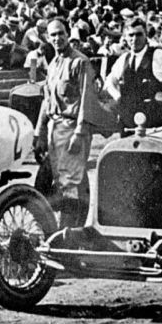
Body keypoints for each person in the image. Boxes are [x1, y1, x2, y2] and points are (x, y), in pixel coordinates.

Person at [34, 17, 98, 228]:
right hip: (54, 128)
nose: (57, 38)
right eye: (53, 35)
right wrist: (39, 132)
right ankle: (56, 230)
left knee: (70, 184)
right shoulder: (53, 63)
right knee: (47, 182)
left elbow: (87, 101)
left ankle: (67, 236)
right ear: (47, 37)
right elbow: (47, 100)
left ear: (68, 34)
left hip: (72, 128)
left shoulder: (80, 62)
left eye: (61, 33)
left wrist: (79, 133)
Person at [101, 18, 162, 131]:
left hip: (154, 120)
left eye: (139, 34)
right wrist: (118, 96)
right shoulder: (123, 59)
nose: (134, 39)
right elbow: (110, 81)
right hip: (128, 121)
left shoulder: (157, 55)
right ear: (125, 37)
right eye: (131, 35)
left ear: (146, 35)